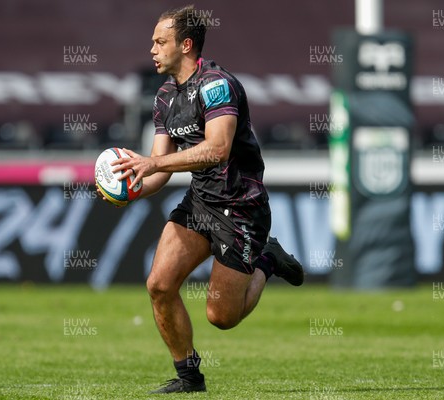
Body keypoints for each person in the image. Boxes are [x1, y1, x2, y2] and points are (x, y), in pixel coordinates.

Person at [97, 5, 304, 394]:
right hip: (200, 203)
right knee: (159, 285)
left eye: (161, 41)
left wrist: (153, 162)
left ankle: (267, 260)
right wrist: (131, 189)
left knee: (221, 317)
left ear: (186, 45)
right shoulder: (164, 96)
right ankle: (189, 378)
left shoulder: (216, 85)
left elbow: (218, 149)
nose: (152, 49)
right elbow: (158, 171)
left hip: (241, 207)